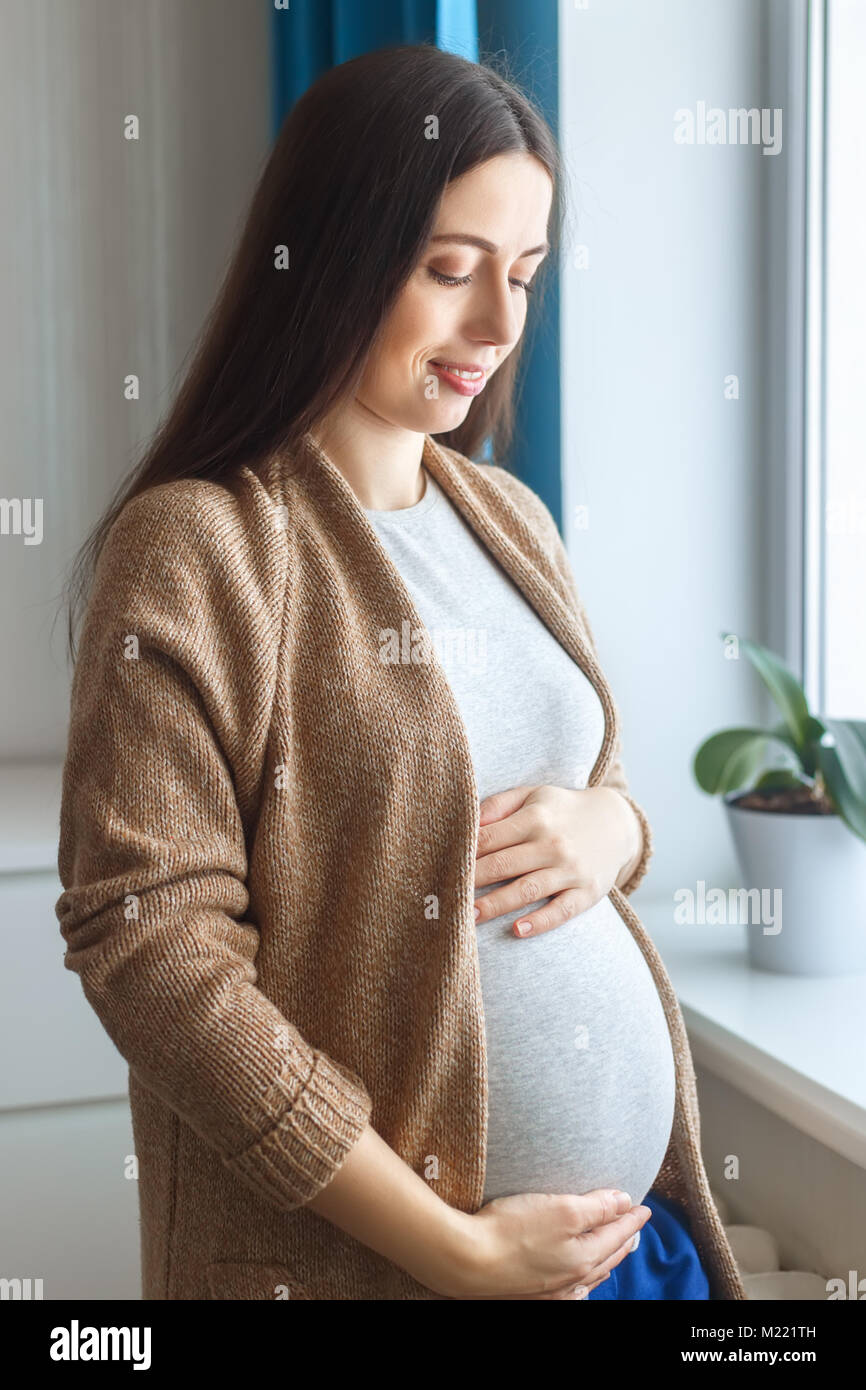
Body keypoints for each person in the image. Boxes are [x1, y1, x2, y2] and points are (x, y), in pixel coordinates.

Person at [56, 43, 745, 1301]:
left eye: (522, 277)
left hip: (630, 1253)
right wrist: (455, 1247)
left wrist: (616, 826)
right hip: (382, 1273)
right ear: (329, 254)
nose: (495, 325)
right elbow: (148, 944)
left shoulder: (509, 519)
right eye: (448, 271)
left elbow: (586, 791)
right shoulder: (204, 546)